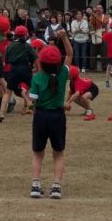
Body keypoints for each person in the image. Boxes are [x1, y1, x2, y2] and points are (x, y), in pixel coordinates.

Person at [28, 30, 73, 200]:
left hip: (40, 116)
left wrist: (26, 95)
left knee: (38, 153)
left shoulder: (37, 77)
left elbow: (32, 101)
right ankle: (56, 187)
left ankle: (35, 184)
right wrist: (63, 37)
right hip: (57, 116)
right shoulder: (63, 73)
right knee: (58, 152)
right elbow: (69, 53)